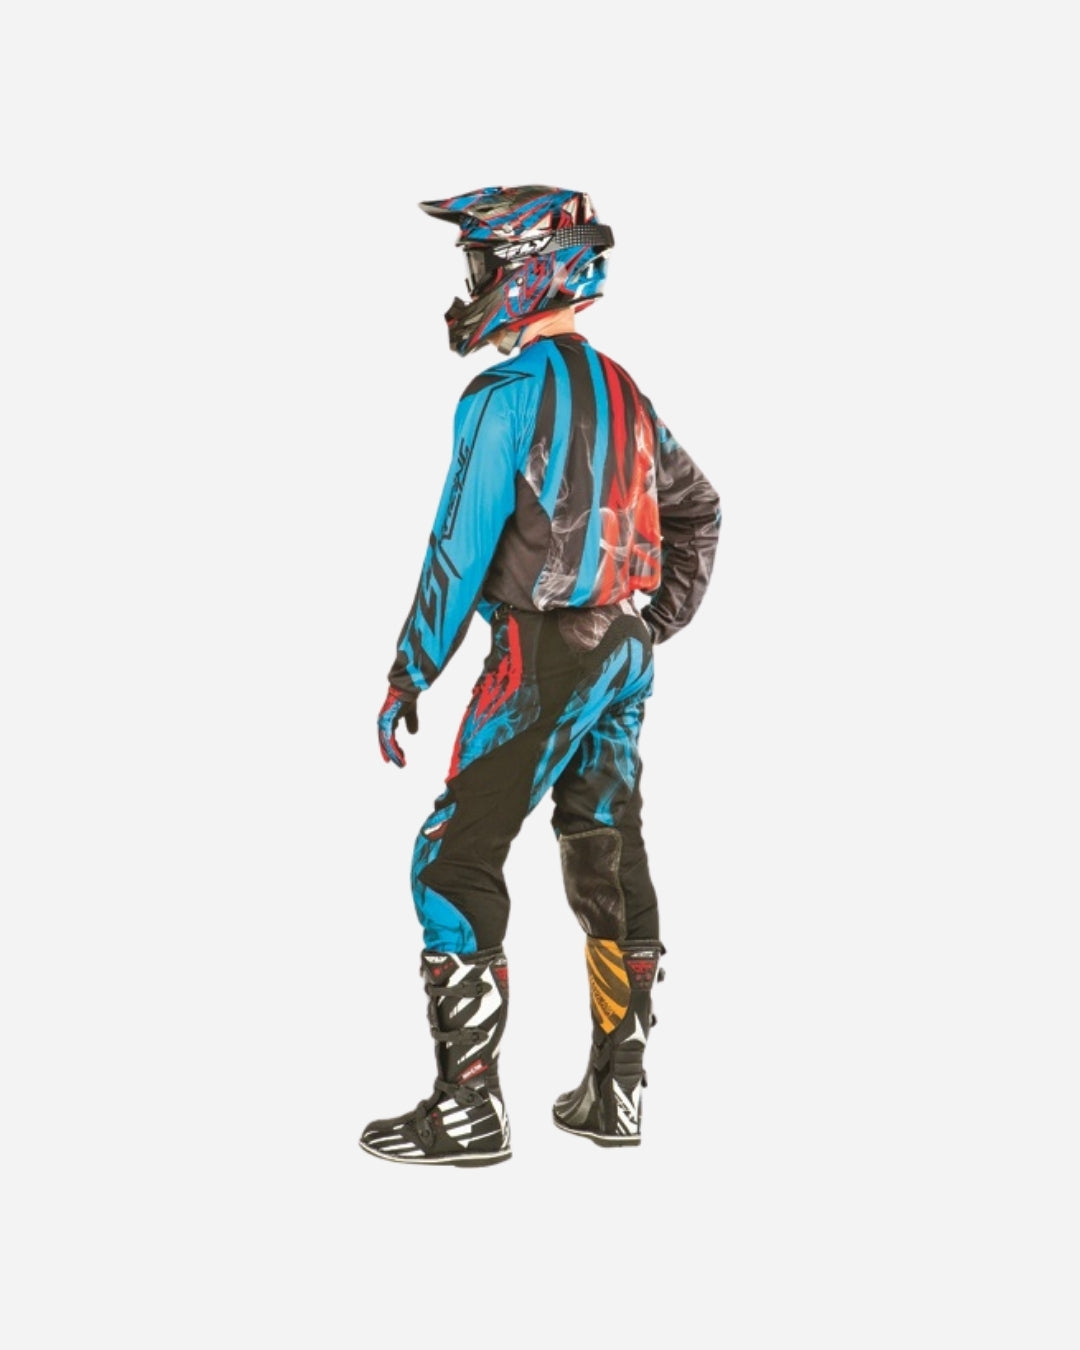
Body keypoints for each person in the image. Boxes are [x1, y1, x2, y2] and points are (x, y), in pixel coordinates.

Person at [359, 185, 721, 1167]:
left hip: (541, 654)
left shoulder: (504, 395)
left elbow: (459, 549)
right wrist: (651, 622)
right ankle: (617, 1094)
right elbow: (701, 508)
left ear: (525, 269)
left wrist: (409, 672)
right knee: (605, 848)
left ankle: (468, 1109)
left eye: (482, 262)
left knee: (452, 860)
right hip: (622, 654)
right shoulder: (626, 392)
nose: (471, 283)